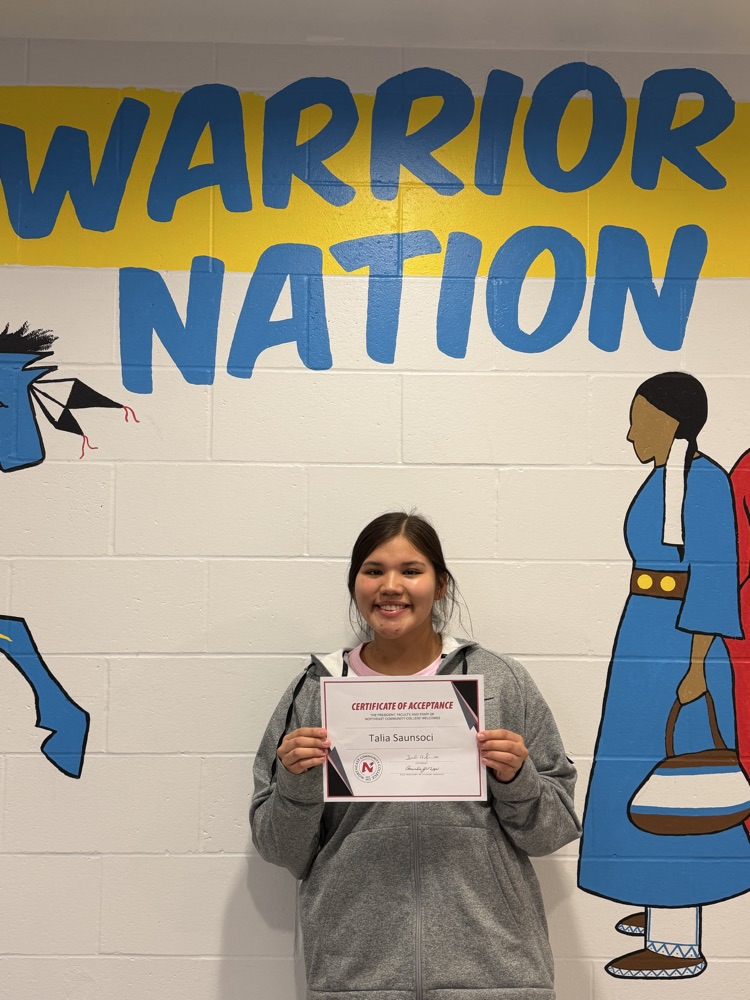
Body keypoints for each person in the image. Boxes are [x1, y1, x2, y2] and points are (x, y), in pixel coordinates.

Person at [251, 511, 580, 1000]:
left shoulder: (500, 682)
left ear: (440, 584)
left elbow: (553, 831)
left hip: (497, 972)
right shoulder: (315, 691)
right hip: (356, 976)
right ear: (354, 584)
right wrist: (298, 785)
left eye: (410, 570)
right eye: (373, 570)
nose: (390, 586)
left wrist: (518, 780)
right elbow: (282, 851)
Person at [578, 372, 750, 979]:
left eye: (640, 420)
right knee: (636, 766)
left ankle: (677, 936)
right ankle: (648, 889)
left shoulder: (702, 483)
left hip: (680, 643)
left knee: (679, 775)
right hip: (647, 632)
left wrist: (699, 664)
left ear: (671, 422)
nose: (630, 434)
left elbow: (714, 573)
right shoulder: (666, 480)